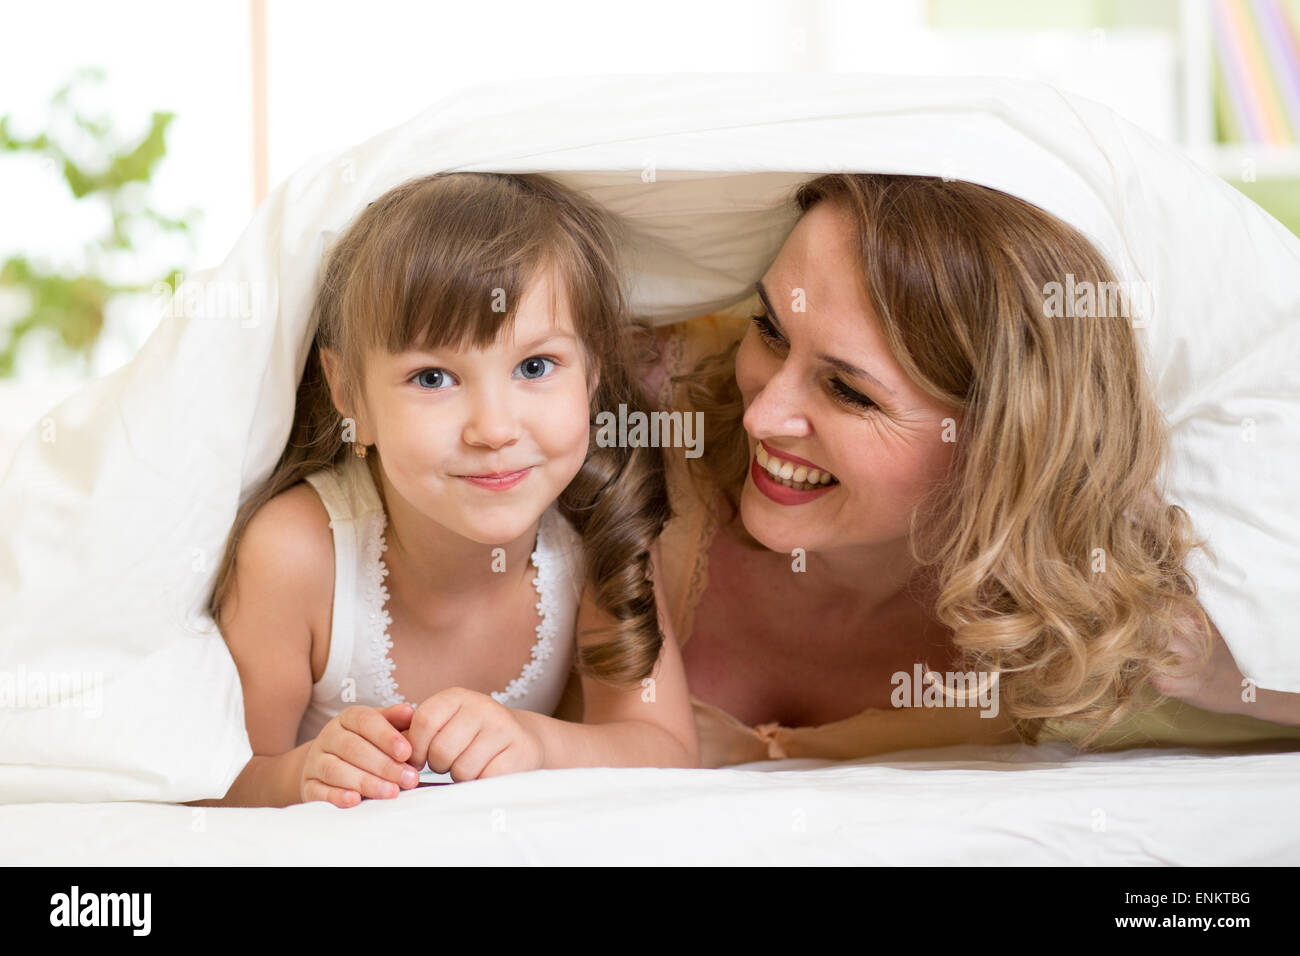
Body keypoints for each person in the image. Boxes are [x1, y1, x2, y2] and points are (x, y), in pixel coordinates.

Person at [563, 172, 1300, 768]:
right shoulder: (631, 410)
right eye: (770, 331)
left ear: (1002, 444)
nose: (761, 415)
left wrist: (1210, 670)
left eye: (849, 391)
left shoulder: (1074, 616)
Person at [192, 172, 698, 808]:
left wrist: (537, 743)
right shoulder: (297, 554)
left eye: (535, 367)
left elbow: (665, 749)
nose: (494, 428)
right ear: (351, 394)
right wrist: (300, 775)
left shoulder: (602, 531)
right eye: (433, 377)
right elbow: (216, 782)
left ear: (593, 371)